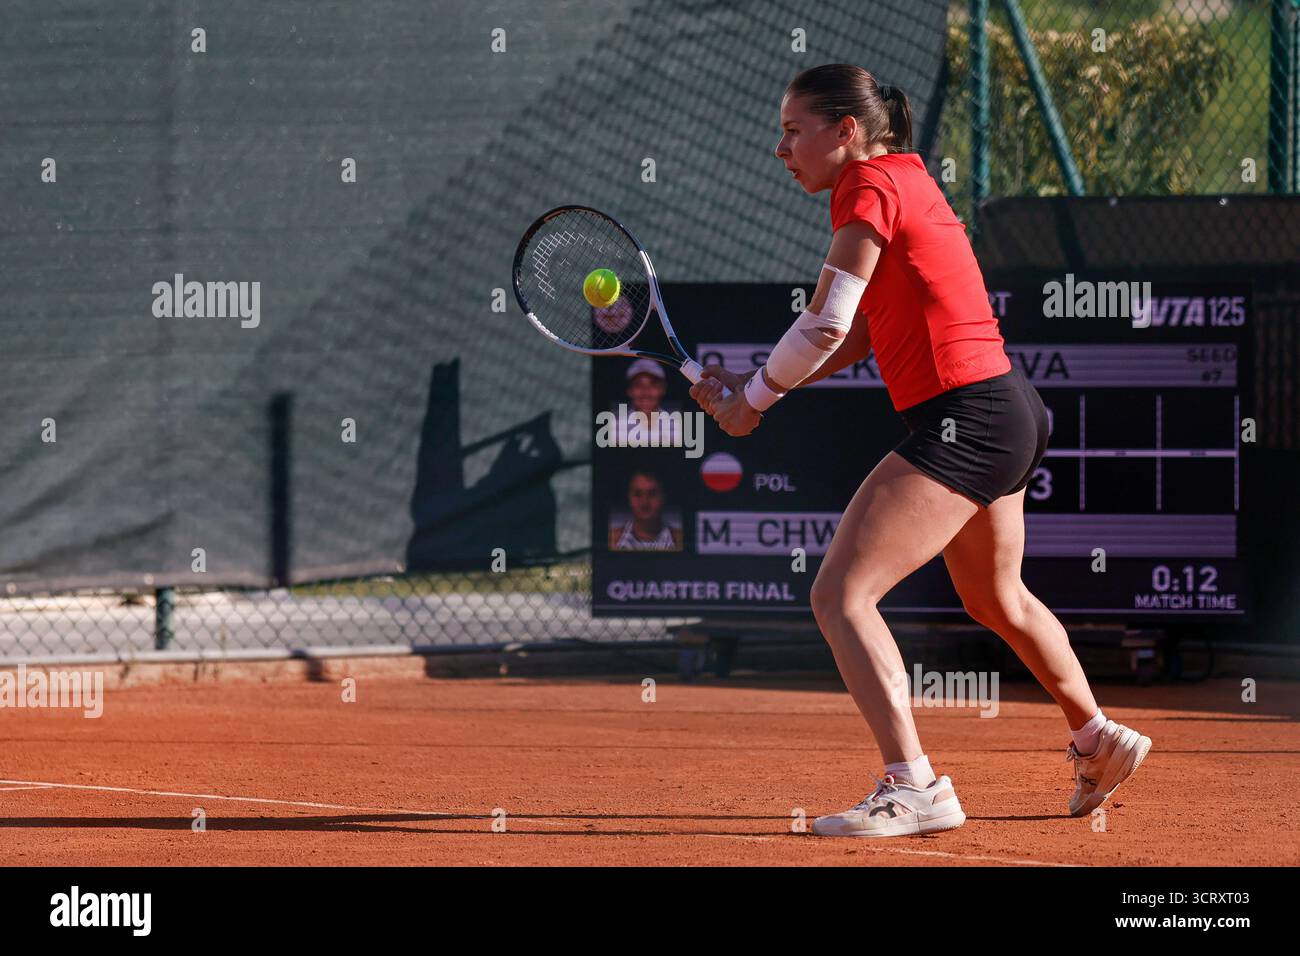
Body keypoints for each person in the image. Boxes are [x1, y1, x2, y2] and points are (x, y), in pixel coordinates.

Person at [689, 63, 1151, 838]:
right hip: (1010, 409)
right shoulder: (905, 179)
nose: (781, 149)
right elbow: (863, 331)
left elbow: (828, 320)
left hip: (967, 416)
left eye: (793, 131)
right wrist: (752, 386)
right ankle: (1096, 738)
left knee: (839, 596)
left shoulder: (866, 185)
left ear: (846, 131)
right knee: (996, 599)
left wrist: (753, 403)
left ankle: (915, 785)